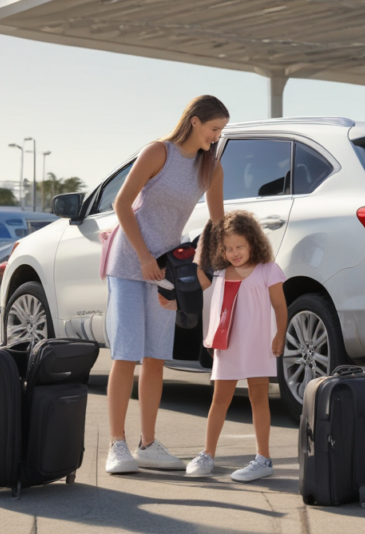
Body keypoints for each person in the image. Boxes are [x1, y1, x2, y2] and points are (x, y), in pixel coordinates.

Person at [104, 96, 229, 474]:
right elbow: (122, 204)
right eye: (213, 128)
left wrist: (205, 271)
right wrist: (143, 256)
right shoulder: (158, 152)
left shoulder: (211, 169)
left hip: (169, 270)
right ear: (193, 122)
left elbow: (217, 225)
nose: (217, 136)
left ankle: (148, 444)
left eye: (221, 130)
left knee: (156, 356)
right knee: (127, 353)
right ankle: (117, 445)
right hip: (130, 261)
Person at [186, 210, 288, 482]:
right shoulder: (219, 272)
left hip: (257, 343)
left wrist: (280, 335)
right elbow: (197, 274)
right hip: (227, 345)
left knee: (258, 397)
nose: (234, 253)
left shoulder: (269, 270)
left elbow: (280, 306)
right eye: (228, 248)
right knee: (220, 399)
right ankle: (207, 454)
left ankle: (263, 459)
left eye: (239, 246)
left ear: (253, 242)